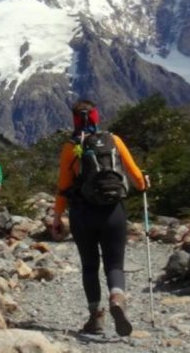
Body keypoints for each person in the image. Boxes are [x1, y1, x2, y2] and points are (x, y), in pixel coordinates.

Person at [51, 100, 145, 337]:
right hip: (114, 211)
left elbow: (63, 186)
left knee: (90, 266)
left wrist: (57, 216)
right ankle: (117, 297)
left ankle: (96, 317)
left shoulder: (70, 147)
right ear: (95, 116)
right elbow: (135, 175)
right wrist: (144, 183)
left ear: (75, 119)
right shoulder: (114, 140)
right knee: (114, 264)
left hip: (82, 213)